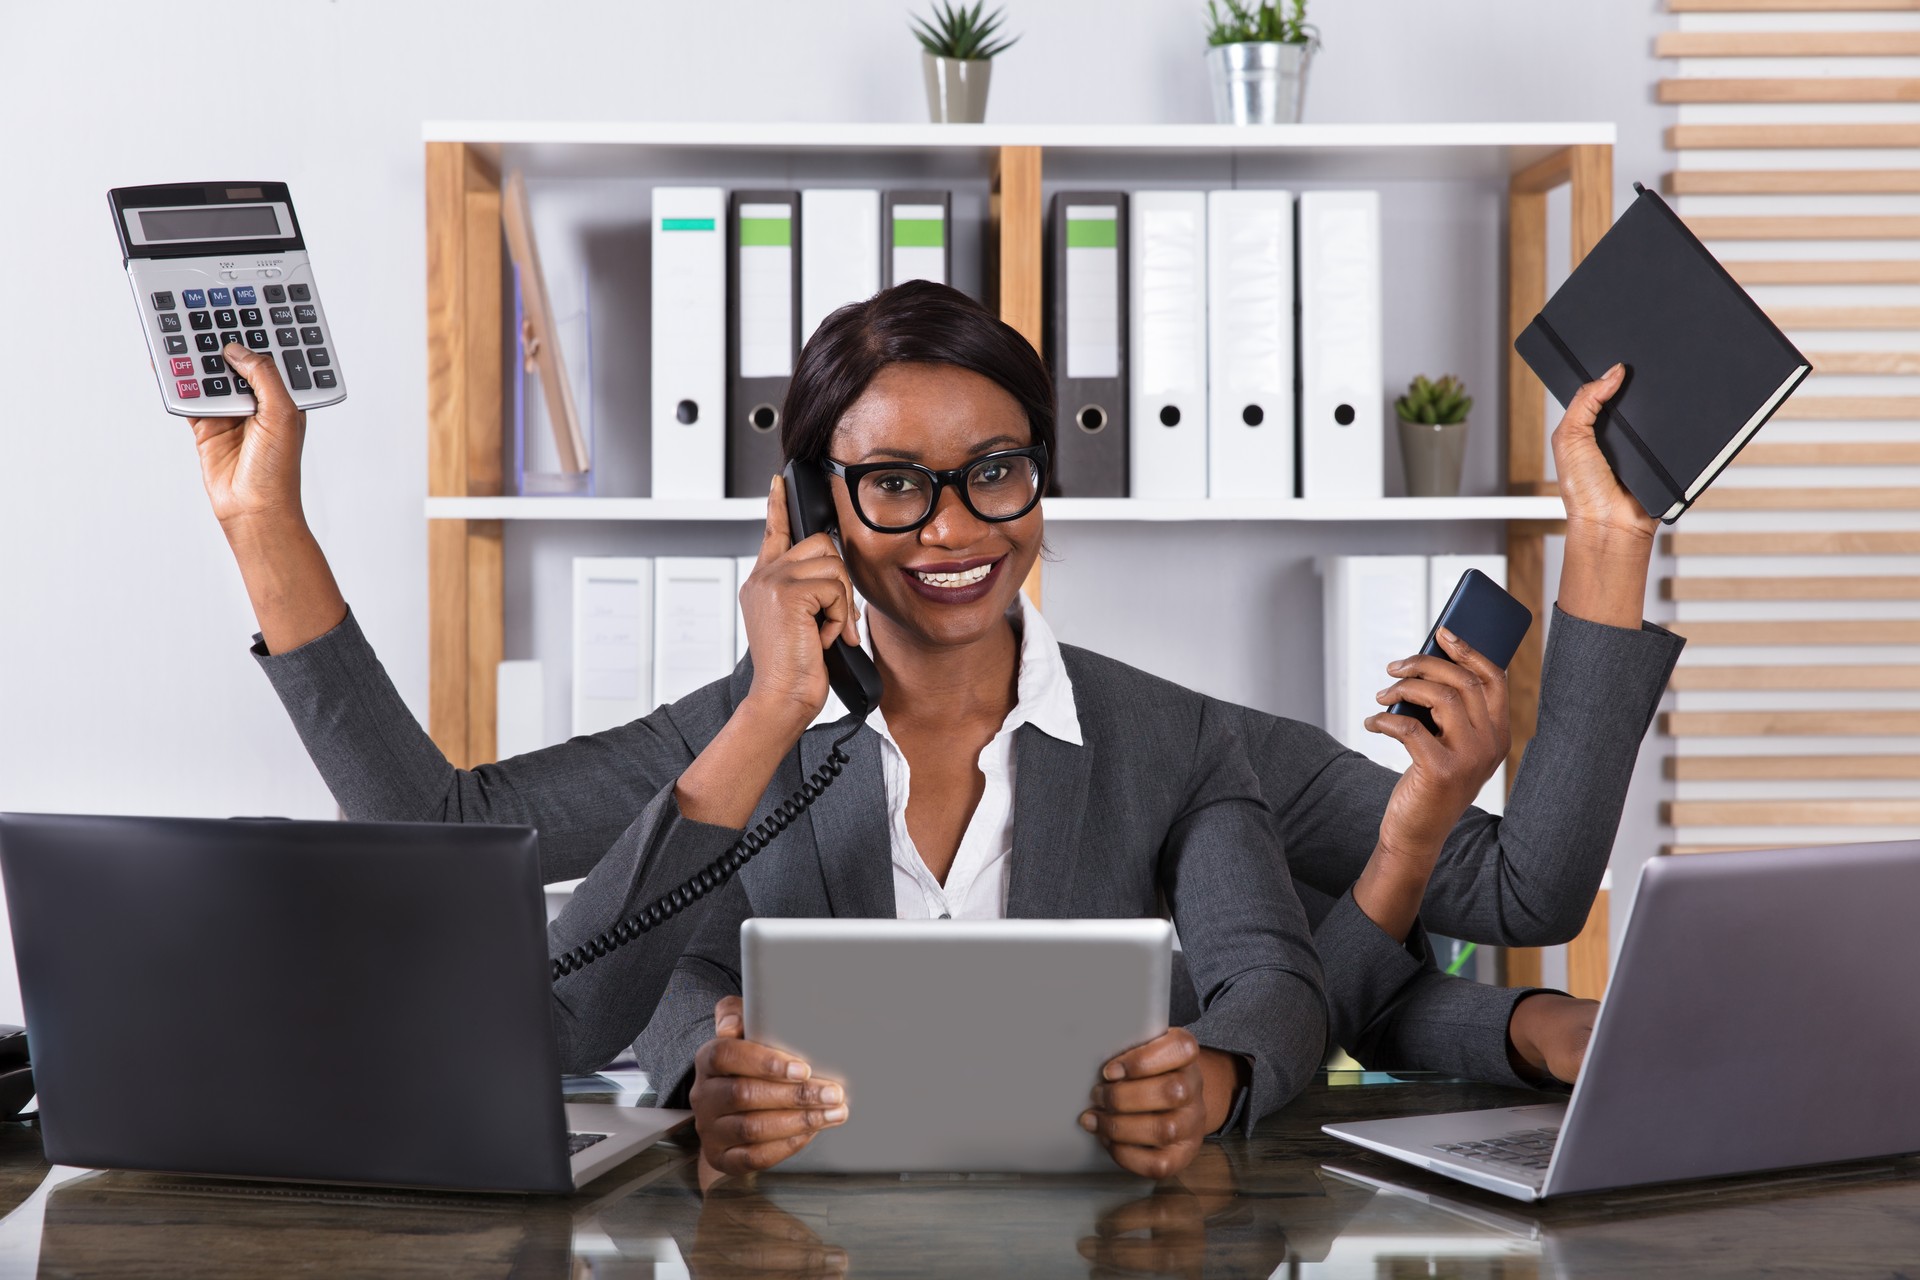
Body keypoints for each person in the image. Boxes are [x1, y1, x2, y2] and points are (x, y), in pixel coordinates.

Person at [190, 285, 1334, 1181]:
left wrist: (1222, 1076)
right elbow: (433, 836)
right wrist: (265, 524)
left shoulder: (1172, 738)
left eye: (996, 472)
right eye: (894, 482)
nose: (953, 527)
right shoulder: (741, 729)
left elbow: (1273, 979)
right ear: (808, 500)